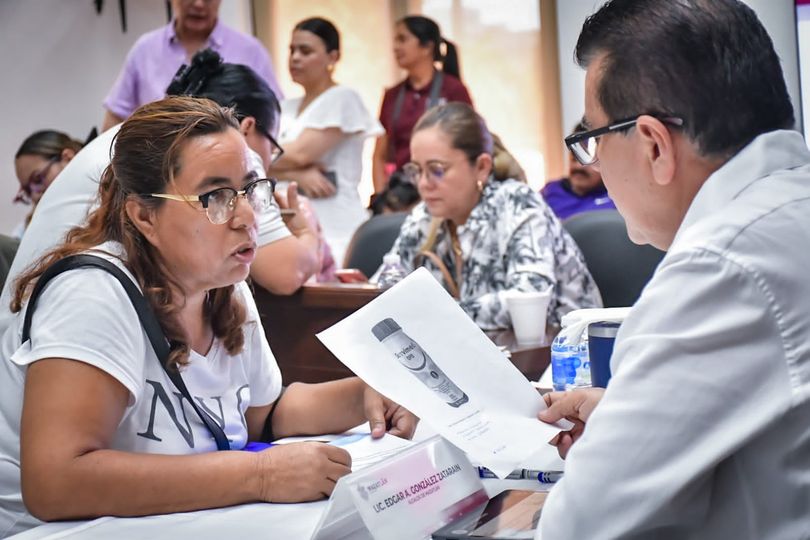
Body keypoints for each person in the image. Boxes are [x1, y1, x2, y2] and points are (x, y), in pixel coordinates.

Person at [0, 97, 416, 537]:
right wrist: (261, 475)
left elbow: (259, 412)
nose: (247, 216)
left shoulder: (225, 283)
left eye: (250, 189)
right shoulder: (91, 294)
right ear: (145, 215)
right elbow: (56, 483)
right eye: (215, 196)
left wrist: (364, 393)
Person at [535, 1, 810, 538]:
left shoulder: (718, 266)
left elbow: (578, 528)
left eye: (592, 139)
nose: (593, 162)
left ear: (655, 145)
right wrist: (630, 412)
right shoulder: (788, 210)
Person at [382, 102, 601, 330]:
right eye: (416, 170)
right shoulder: (423, 217)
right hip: (474, 354)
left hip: (562, 356)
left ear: (482, 167)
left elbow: (529, 301)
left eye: (437, 169)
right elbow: (389, 286)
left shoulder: (518, 204)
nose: (424, 184)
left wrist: (432, 314)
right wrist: (359, 288)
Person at [166, 48, 331, 289]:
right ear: (248, 127)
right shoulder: (234, 152)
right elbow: (287, 272)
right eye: (272, 146)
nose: (268, 162)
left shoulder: (154, 138)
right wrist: (307, 232)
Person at [269, 17, 383, 265]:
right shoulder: (283, 108)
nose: (295, 58)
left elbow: (299, 154)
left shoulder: (343, 98)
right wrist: (298, 176)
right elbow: (251, 159)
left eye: (305, 51)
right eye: (292, 50)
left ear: (333, 57)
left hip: (336, 226)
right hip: (291, 228)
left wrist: (279, 163)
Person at [102, 0, 282, 131]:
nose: (198, 4)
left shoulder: (250, 50)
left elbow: (275, 112)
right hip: (159, 166)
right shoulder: (145, 49)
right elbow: (115, 116)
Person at [372, 15, 473, 194]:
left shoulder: (453, 90)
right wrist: (381, 199)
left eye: (402, 39)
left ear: (427, 47)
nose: (395, 47)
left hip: (443, 191)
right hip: (401, 194)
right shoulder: (392, 95)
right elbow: (380, 155)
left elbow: (470, 146)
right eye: (395, 40)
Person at [12, 130, 83, 238]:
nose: (35, 196)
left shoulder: (108, 196)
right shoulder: (26, 229)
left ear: (68, 158)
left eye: (37, 179)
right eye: (27, 191)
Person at [540, 122, 615, 220]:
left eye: (587, 159)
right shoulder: (549, 192)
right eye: (574, 159)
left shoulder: (616, 198)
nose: (578, 167)